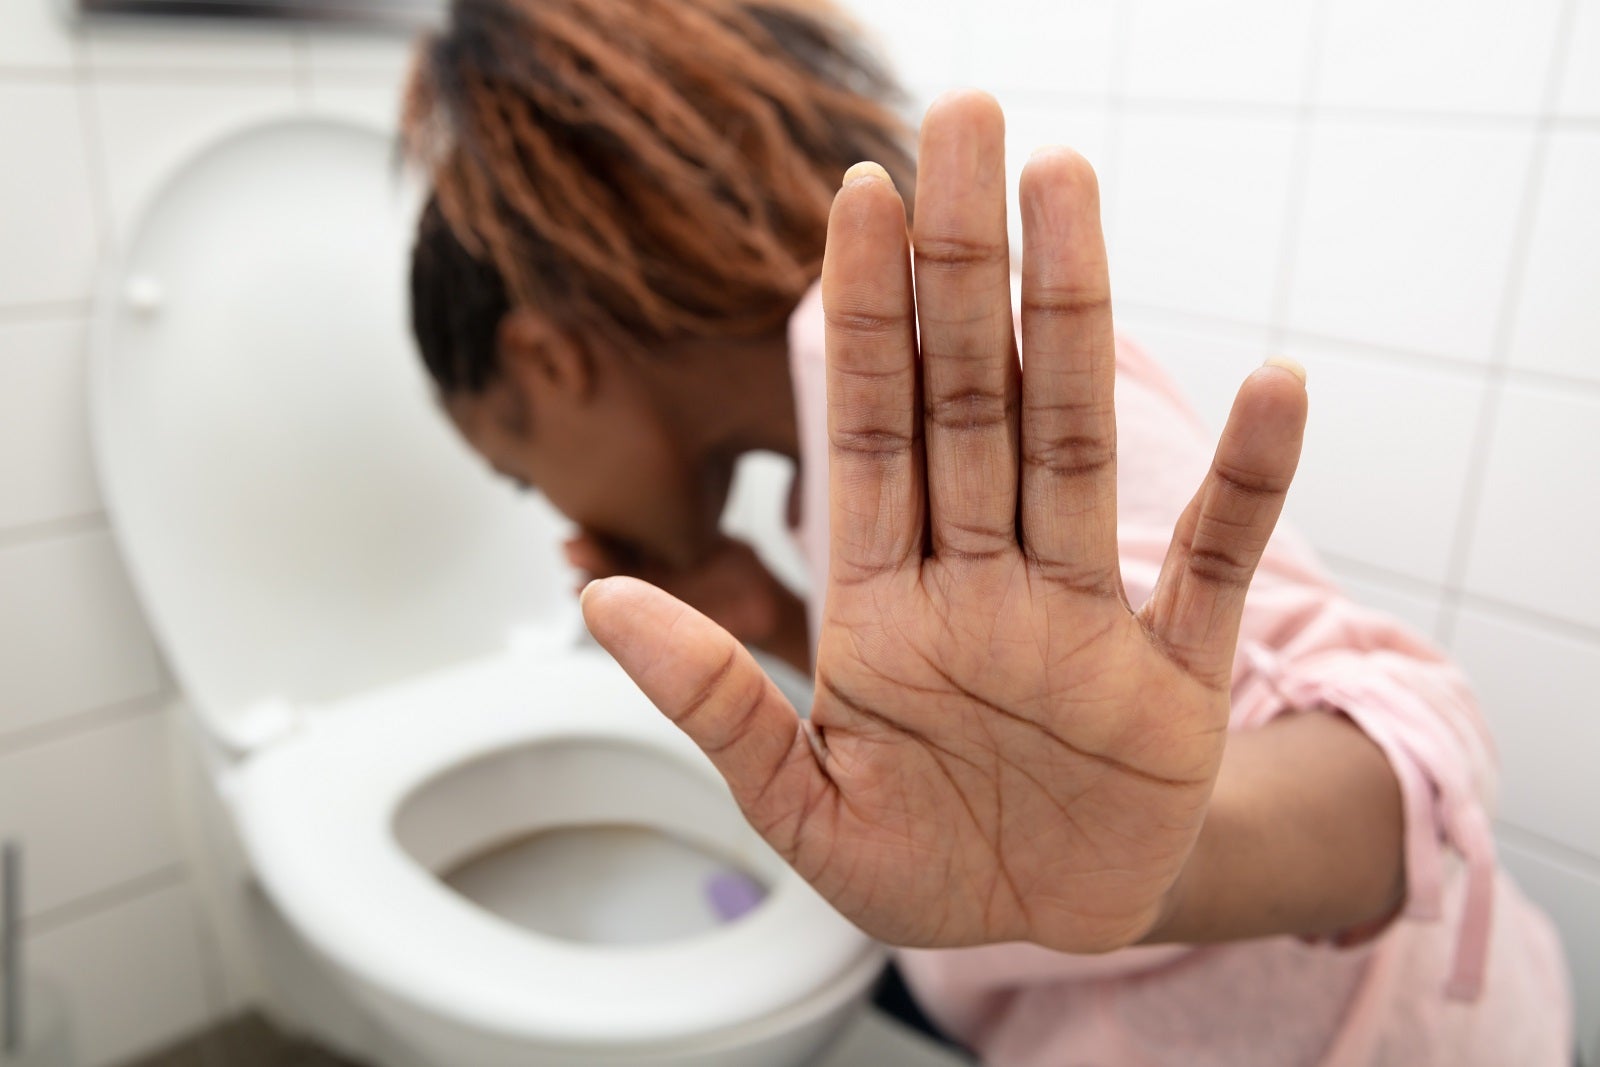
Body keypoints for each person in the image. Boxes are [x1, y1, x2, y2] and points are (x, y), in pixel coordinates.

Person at [401, 1, 1572, 1062]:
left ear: (545, 361)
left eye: (517, 472)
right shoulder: (833, 463)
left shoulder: (917, 368)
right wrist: (776, 623)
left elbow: (1410, 757)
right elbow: (995, 733)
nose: (558, 512)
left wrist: (1155, 858)